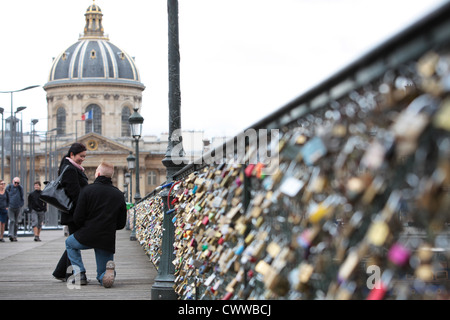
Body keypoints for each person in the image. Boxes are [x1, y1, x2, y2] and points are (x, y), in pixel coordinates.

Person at [65, 162, 127, 288]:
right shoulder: (119, 195)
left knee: (70, 243)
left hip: (87, 235)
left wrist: (86, 226)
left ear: (98, 174)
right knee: (102, 272)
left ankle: (80, 274)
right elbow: (121, 224)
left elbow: (78, 218)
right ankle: (106, 275)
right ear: (111, 176)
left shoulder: (87, 190)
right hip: (107, 238)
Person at [52, 143, 88, 281]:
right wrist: (85, 211)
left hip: (73, 213)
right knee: (75, 243)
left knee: (73, 243)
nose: (83, 159)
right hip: (75, 214)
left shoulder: (71, 167)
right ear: (72, 155)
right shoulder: (70, 169)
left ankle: (63, 272)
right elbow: (75, 194)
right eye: (81, 156)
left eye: (84, 156)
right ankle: (69, 273)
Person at [6, 177, 24, 242]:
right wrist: (7, 205)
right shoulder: (9, 187)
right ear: (13, 181)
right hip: (10, 206)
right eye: (15, 182)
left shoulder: (20, 188)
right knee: (12, 220)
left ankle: (15, 235)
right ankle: (11, 234)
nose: (16, 184)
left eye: (18, 183)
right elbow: (6, 195)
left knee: (16, 222)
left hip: (17, 207)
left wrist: (21, 204)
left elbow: (22, 196)